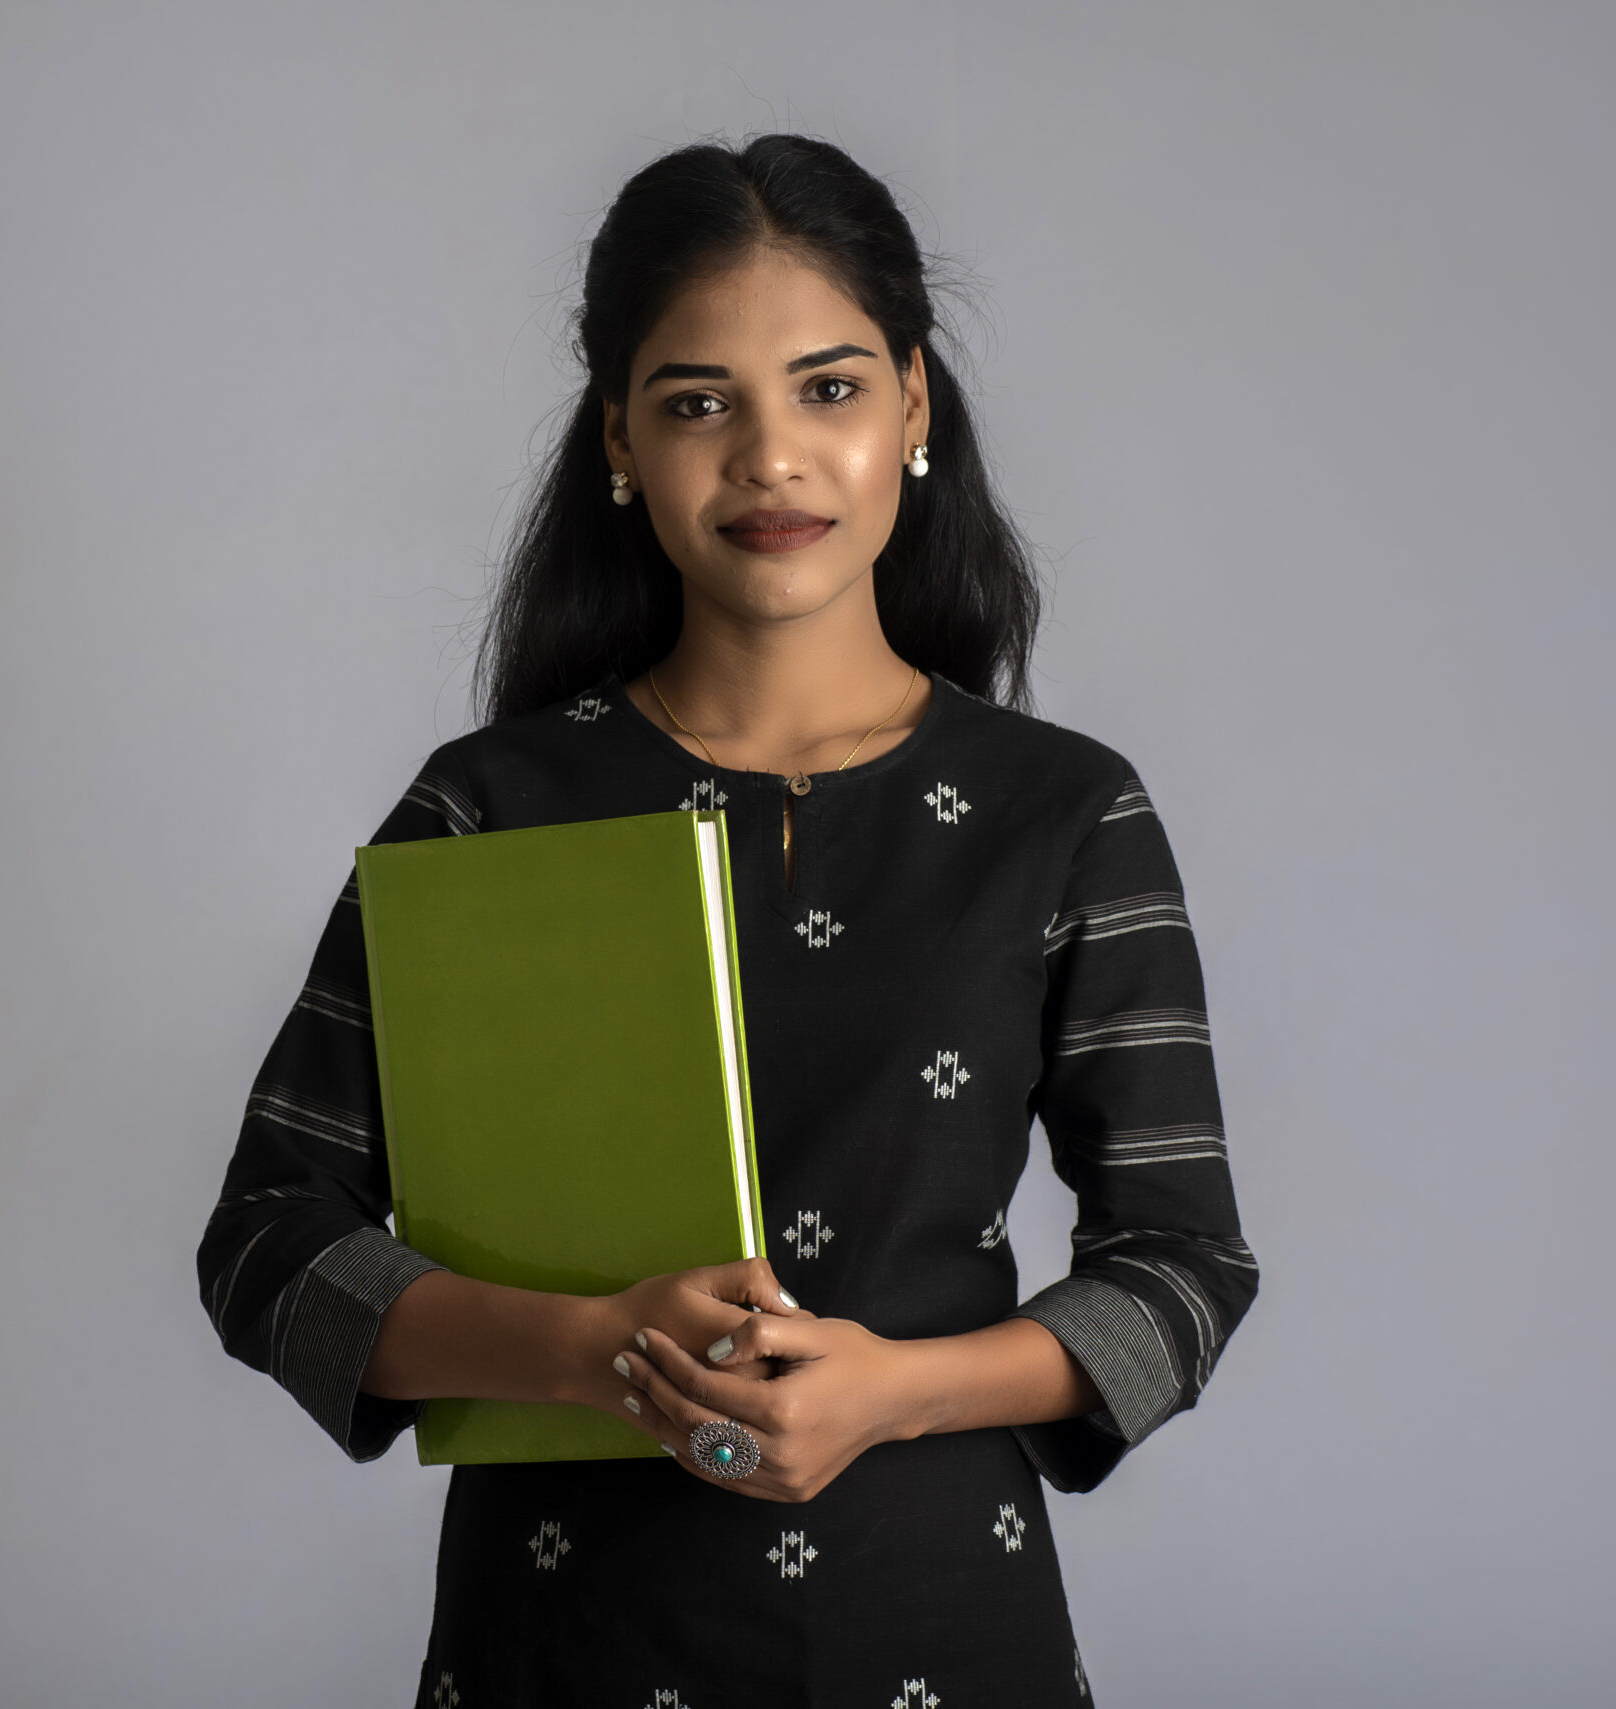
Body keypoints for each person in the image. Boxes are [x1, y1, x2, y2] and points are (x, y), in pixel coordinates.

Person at [196, 133, 1260, 1706]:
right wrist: (591, 1348)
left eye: (828, 388)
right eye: (700, 402)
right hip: (560, 1645)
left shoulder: (1065, 813)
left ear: (914, 407)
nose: (769, 455)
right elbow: (268, 1246)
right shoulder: (487, 806)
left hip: (946, 1624)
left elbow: (1180, 1272)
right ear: (620, 437)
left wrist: (894, 1391)